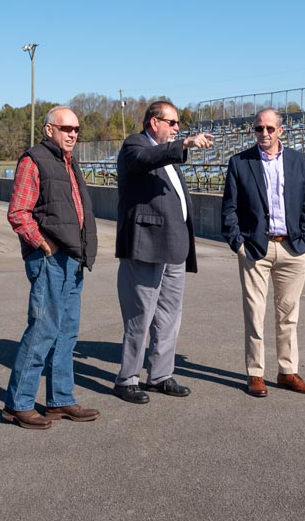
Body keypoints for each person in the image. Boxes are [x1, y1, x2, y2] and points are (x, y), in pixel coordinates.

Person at [2, 106, 101, 429]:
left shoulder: (69, 163)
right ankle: (18, 404)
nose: (73, 134)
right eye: (66, 128)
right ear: (49, 130)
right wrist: (43, 244)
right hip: (49, 259)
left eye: (76, 129)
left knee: (67, 333)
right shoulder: (34, 160)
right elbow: (19, 212)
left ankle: (60, 399)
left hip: (73, 258)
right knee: (43, 329)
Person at [113, 100, 214, 404]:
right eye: (171, 123)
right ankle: (127, 379)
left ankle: (160, 375)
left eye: (178, 125)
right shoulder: (135, 145)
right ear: (153, 122)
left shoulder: (167, 153)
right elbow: (143, 160)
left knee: (170, 316)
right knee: (139, 317)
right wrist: (182, 144)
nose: (176, 128)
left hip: (174, 247)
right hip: (145, 246)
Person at [221, 108, 305, 398]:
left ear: (281, 131)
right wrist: (238, 244)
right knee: (255, 314)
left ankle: (287, 371)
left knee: (289, 314)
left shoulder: (300, 162)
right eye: (258, 129)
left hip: (293, 248)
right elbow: (229, 209)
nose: (264, 133)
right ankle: (256, 374)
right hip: (255, 250)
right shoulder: (240, 163)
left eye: (269, 129)